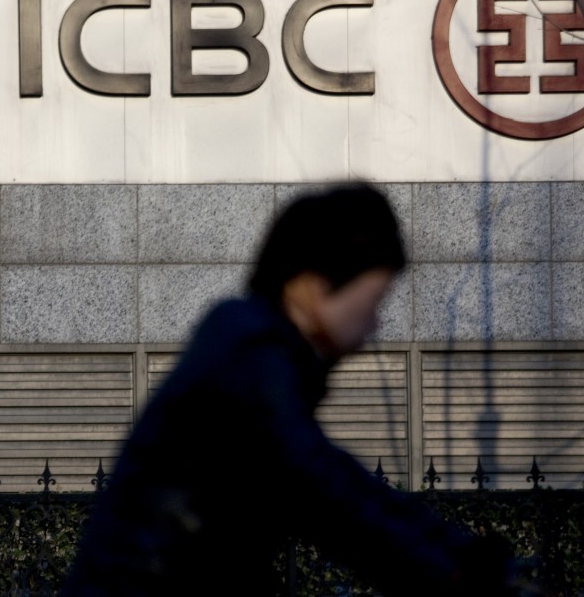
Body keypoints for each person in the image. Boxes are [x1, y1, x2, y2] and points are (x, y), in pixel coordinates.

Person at [61, 182, 515, 596]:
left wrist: (456, 554)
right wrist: (451, 570)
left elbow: (335, 481)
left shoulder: (255, 349)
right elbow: (319, 484)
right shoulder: (250, 351)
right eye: (373, 302)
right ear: (313, 287)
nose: (374, 326)